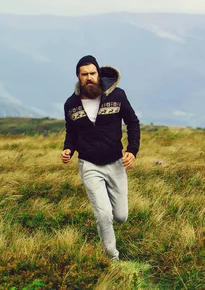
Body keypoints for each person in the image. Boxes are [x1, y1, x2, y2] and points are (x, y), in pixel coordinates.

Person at [61, 55, 140, 261]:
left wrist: (132, 150)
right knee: (103, 214)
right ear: (78, 77)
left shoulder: (117, 96)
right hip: (88, 164)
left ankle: (112, 231)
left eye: (92, 73)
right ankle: (112, 258)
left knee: (121, 216)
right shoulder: (71, 104)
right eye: (84, 74)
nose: (89, 78)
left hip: (115, 163)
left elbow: (132, 122)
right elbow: (72, 132)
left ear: (98, 73)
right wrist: (68, 149)